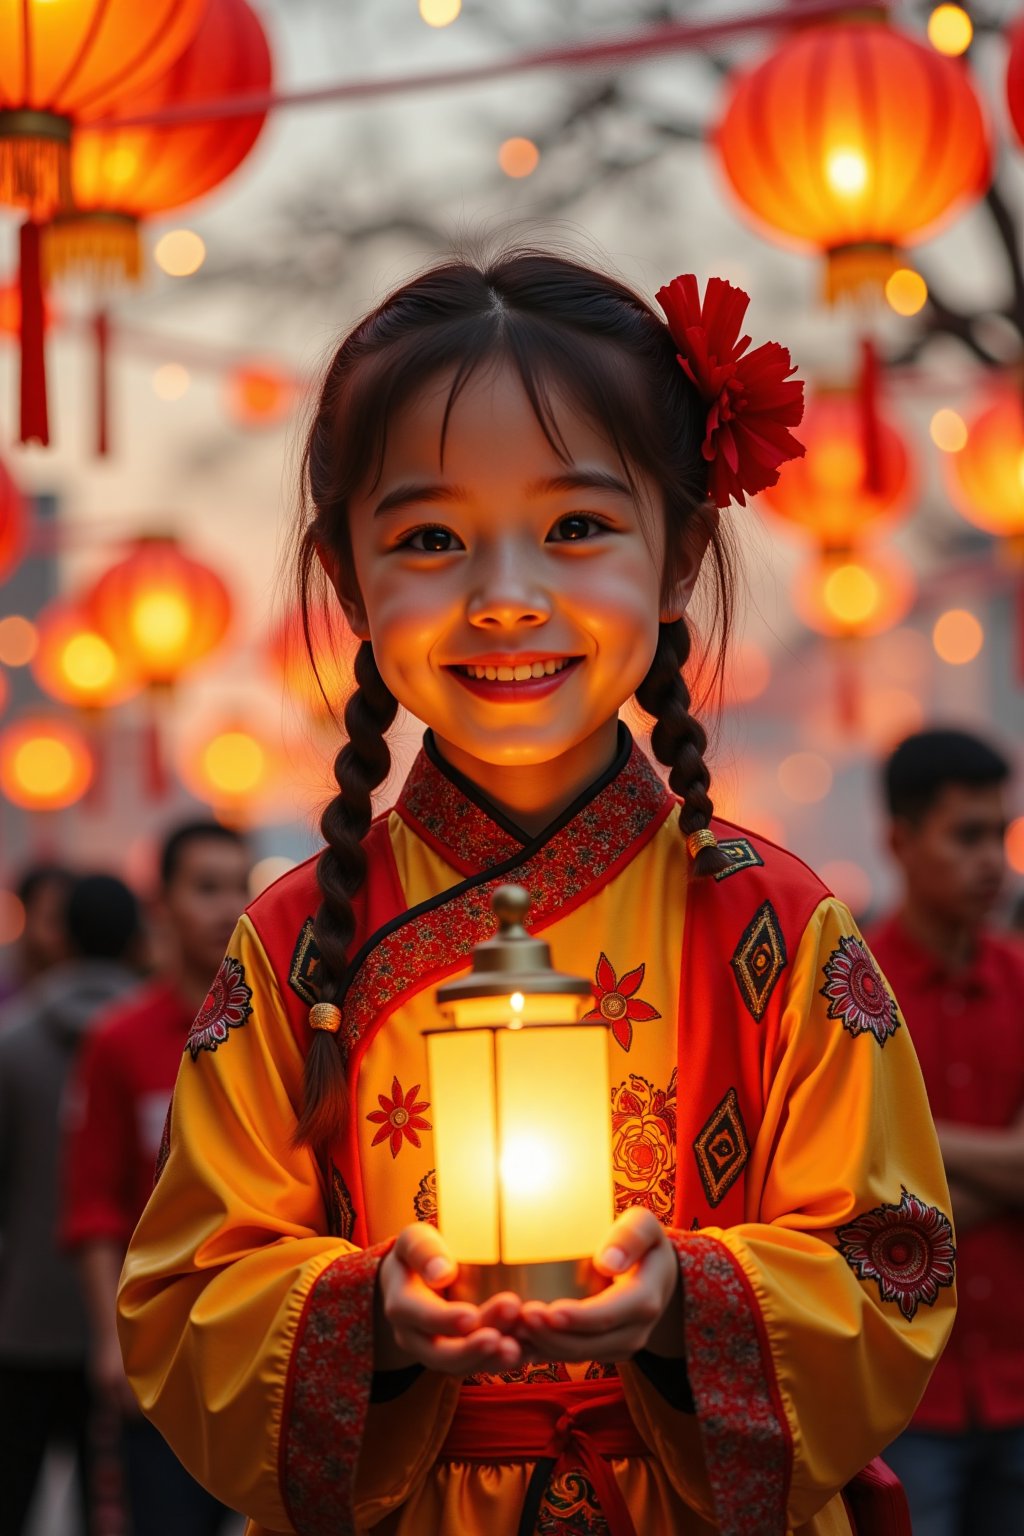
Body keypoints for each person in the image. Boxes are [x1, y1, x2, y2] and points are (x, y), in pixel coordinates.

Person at [118, 249, 955, 1536]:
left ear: (678, 554)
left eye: (575, 528)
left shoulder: (778, 932)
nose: (506, 600)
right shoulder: (289, 949)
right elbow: (182, 1303)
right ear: (347, 580)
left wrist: (687, 1301)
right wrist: (374, 1323)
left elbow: (893, 1262)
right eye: (431, 539)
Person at [63, 821, 251, 1536]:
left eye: (239, 886)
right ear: (161, 905)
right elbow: (93, 1206)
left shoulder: (281, 1032)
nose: (227, 906)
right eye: (205, 887)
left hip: (260, 1337)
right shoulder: (119, 1038)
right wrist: (110, 1344)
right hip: (163, 1355)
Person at [868, 729, 1024, 1536]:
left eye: (999, 834)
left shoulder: (1022, 981)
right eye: (966, 836)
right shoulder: (855, 992)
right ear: (899, 839)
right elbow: (856, 1201)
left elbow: (890, 1193)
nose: (993, 860)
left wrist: (911, 1137)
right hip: (907, 1397)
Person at [0, 873, 142, 1536]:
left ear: (61, 935)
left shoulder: (13, 1042)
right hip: (132, 1318)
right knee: (113, 1511)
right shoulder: (160, 1039)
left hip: (22, 1316)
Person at [0, 863, 74, 1009]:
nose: (63, 935)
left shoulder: (79, 996)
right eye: (52, 920)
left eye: (70, 923)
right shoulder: (7, 1003)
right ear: (23, 917)